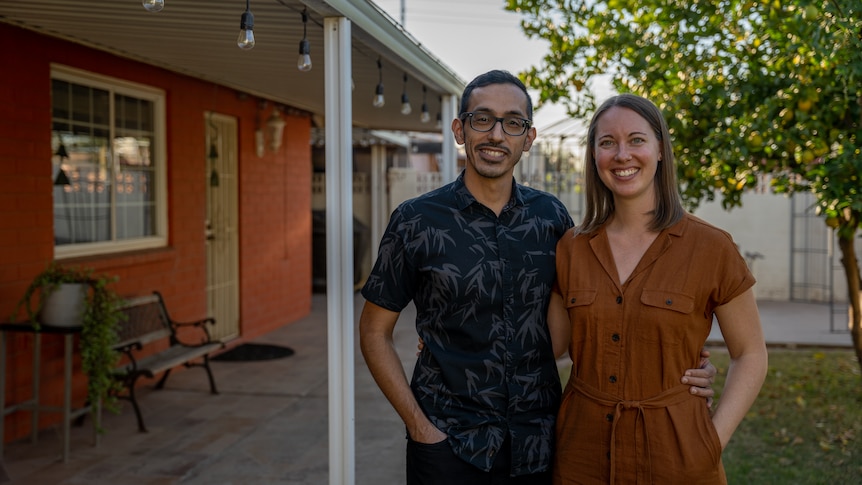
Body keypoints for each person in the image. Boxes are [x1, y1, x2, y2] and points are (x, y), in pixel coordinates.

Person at [359, 71, 716, 485]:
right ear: (460, 129)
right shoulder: (415, 220)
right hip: (448, 445)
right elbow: (373, 333)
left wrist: (680, 369)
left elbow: (597, 316)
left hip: (541, 445)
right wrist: (422, 429)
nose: (496, 134)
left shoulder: (552, 219)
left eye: (512, 122)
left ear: (528, 138)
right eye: (482, 119)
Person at [549, 93, 768, 484]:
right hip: (582, 454)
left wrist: (712, 441)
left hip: (678, 455)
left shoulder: (711, 247)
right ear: (593, 156)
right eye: (607, 142)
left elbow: (750, 353)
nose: (622, 154)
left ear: (661, 150)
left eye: (636, 140)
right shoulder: (571, 248)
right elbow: (548, 346)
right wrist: (456, 335)